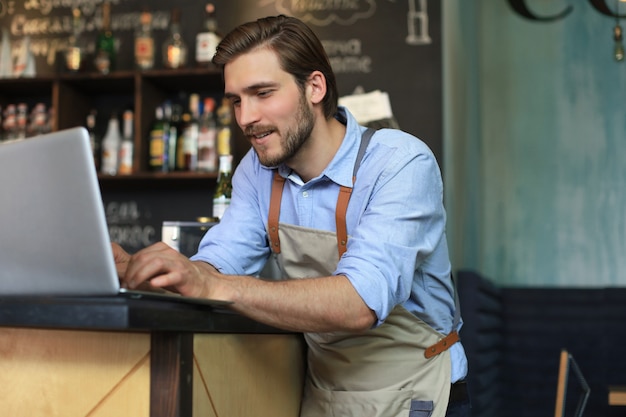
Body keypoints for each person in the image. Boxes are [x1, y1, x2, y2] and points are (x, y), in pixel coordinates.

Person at [113, 15, 469, 417]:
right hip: (323, 394)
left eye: (262, 93)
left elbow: (359, 303)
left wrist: (215, 285)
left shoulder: (399, 163)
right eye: (236, 100)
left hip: (415, 394)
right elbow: (214, 266)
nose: (245, 117)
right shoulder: (256, 169)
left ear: (314, 87)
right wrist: (135, 272)